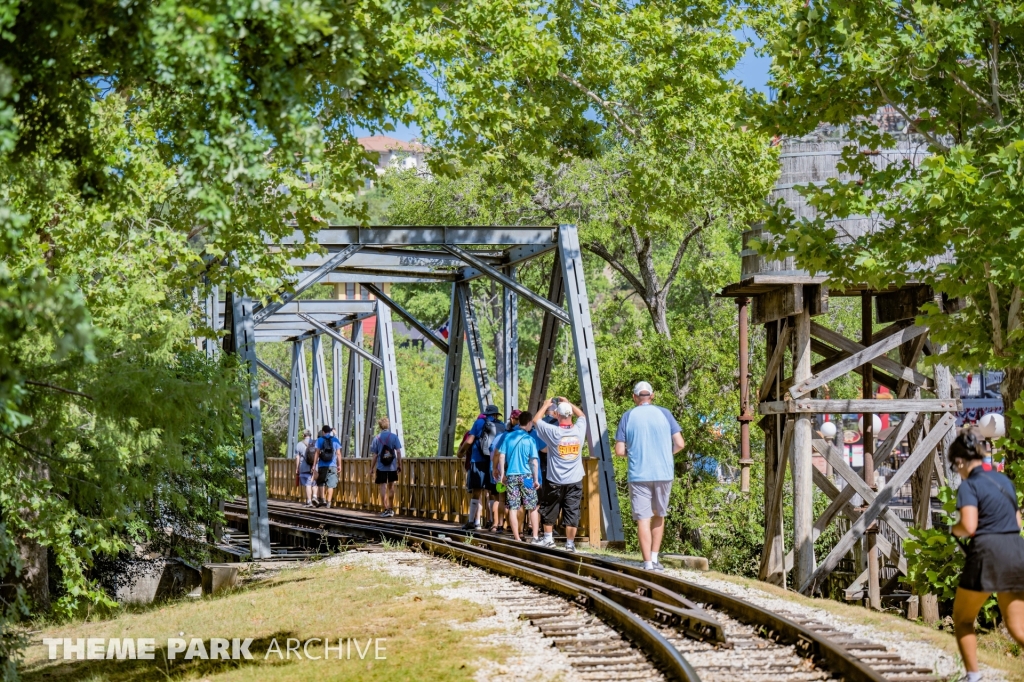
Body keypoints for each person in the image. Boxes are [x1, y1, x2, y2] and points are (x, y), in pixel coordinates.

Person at [948, 427, 1024, 682]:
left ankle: (973, 677)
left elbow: (969, 526)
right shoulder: (1005, 482)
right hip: (1016, 550)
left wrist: (954, 529)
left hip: (987, 553)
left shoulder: (969, 485)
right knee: (1017, 627)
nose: (957, 471)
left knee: (963, 619)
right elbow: (1017, 521)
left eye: (955, 467)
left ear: (960, 461)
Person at [614, 381, 684, 571]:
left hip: (639, 474)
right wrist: (665, 453)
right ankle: (654, 558)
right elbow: (680, 443)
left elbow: (619, 450)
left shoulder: (628, 416)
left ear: (634, 397)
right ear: (652, 396)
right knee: (659, 514)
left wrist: (635, 453)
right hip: (663, 472)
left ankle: (647, 564)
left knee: (643, 518)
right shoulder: (665, 414)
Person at [532, 397, 587, 552]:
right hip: (575, 479)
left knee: (550, 508)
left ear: (556, 415)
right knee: (572, 510)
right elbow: (582, 416)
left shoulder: (553, 432)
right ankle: (570, 544)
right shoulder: (579, 430)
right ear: (571, 414)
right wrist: (569, 402)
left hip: (555, 479)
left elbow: (536, 420)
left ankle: (548, 539)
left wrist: (545, 405)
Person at [495, 411, 542, 542]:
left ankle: (517, 537)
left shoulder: (508, 437)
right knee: (532, 506)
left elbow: (501, 456)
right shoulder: (530, 439)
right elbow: (534, 461)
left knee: (513, 507)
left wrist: (503, 474)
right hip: (526, 477)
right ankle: (535, 537)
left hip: (511, 476)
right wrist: (536, 479)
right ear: (529, 423)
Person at [461, 404, 504, 531]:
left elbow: (470, 440)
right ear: (496, 415)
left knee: (476, 492)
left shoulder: (479, 422)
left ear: (486, 414)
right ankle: (493, 522)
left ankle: (471, 521)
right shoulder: (501, 425)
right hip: (494, 462)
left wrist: (461, 452)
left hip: (478, 460)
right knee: (493, 493)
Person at [370, 417, 403, 518]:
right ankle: (391, 509)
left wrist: (371, 468)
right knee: (391, 487)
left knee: (383, 487)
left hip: (381, 467)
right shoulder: (394, 437)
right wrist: (400, 464)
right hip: (392, 466)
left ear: (380, 426)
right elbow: (398, 452)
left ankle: (385, 509)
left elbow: (375, 455)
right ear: (388, 425)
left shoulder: (377, 438)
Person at [311, 425, 342, 508]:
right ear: (330, 431)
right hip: (333, 465)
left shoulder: (320, 440)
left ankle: (322, 500)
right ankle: (328, 502)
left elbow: (317, 453)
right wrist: (339, 465)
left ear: (323, 432)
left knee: (321, 482)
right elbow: (338, 454)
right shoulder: (335, 440)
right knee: (331, 484)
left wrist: (314, 465)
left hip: (322, 465)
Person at [294, 430, 317, 507]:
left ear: (303, 435)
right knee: (314, 483)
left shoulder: (299, 444)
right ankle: (315, 496)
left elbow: (297, 457)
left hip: (304, 467)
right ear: (310, 435)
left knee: (308, 484)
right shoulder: (315, 443)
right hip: (315, 466)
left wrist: (297, 468)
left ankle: (309, 501)